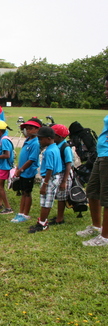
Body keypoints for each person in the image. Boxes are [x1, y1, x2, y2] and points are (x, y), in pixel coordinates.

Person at [79, 73, 108, 245]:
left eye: (107, 88)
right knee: (92, 191)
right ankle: (96, 227)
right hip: (102, 154)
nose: (105, 92)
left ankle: (105, 237)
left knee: (107, 197)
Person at [28, 126, 63, 233]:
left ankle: (43, 224)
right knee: (44, 201)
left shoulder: (49, 151)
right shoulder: (55, 147)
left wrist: (45, 184)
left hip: (50, 178)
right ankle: (42, 221)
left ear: (48, 138)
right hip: (52, 177)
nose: (39, 141)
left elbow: (49, 169)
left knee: (46, 203)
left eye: (41, 139)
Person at [11, 117, 42, 223]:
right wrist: (18, 168)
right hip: (22, 171)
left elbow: (31, 159)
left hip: (28, 172)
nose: (27, 130)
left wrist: (21, 169)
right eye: (26, 128)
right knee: (23, 192)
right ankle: (20, 212)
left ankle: (25, 214)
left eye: (30, 128)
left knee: (27, 192)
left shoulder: (36, 143)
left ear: (38, 129)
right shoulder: (28, 140)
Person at [49, 124, 73, 225]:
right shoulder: (56, 145)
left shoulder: (65, 147)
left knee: (62, 197)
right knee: (58, 196)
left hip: (64, 174)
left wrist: (64, 181)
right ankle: (58, 215)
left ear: (59, 137)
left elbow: (68, 164)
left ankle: (60, 218)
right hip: (58, 173)